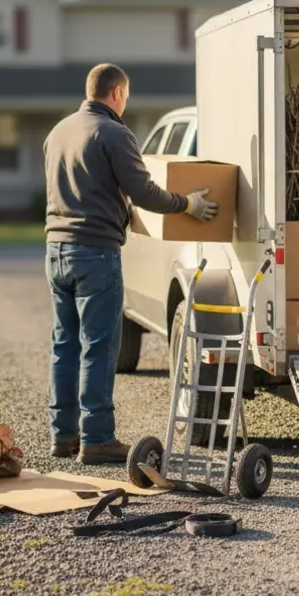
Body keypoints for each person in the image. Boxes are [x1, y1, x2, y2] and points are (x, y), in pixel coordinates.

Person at [43, 63, 218, 464]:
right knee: (99, 347)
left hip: (56, 250)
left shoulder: (58, 132)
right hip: (95, 252)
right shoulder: (114, 133)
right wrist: (188, 203)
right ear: (118, 93)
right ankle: (98, 440)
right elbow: (144, 192)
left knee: (64, 345)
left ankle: (63, 436)